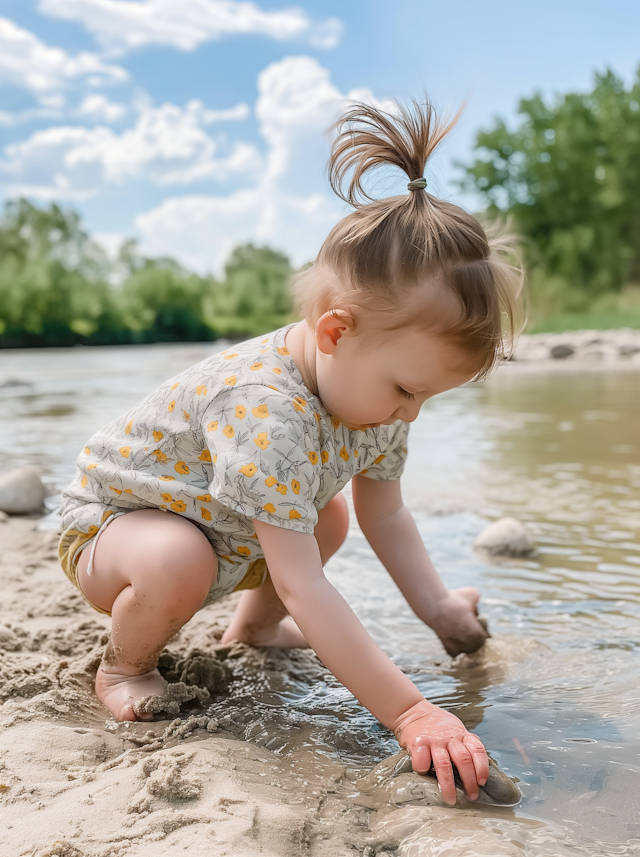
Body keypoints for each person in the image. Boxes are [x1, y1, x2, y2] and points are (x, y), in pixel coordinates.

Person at [58, 99, 523, 806]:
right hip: (114, 531)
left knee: (327, 513)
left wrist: (435, 606)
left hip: (218, 525)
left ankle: (255, 627)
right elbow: (308, 582)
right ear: (334, 332)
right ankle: (124, 666)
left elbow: (385, 514)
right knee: (182, 556)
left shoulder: (377, 386)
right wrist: (411, 711)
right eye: (404, 389)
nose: (410, 412)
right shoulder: (265, 412)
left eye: (428, 396)